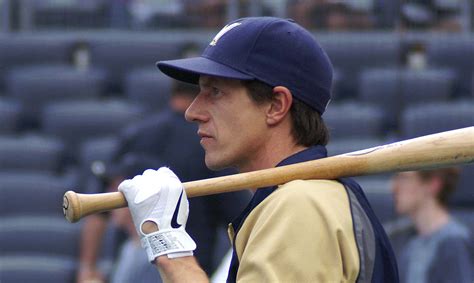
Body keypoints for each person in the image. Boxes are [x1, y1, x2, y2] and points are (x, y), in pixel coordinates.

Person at [118, 17, 399, 282]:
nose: (193, 112)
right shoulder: (304, 197)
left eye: (215, 91)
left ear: (276, 106)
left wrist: (170, 250)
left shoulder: (300, 205)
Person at [76, 81, 249, 283]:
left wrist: (87, 268)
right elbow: (243, 222)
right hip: (186, 269)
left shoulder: (136, 134)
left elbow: (100, 208)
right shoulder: (210, 146)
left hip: (135, 259)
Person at [387, 168, 472, 283]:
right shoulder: (408, 240)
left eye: (404, 178)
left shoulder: (453, 242)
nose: (393, 187)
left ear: (433, 184)